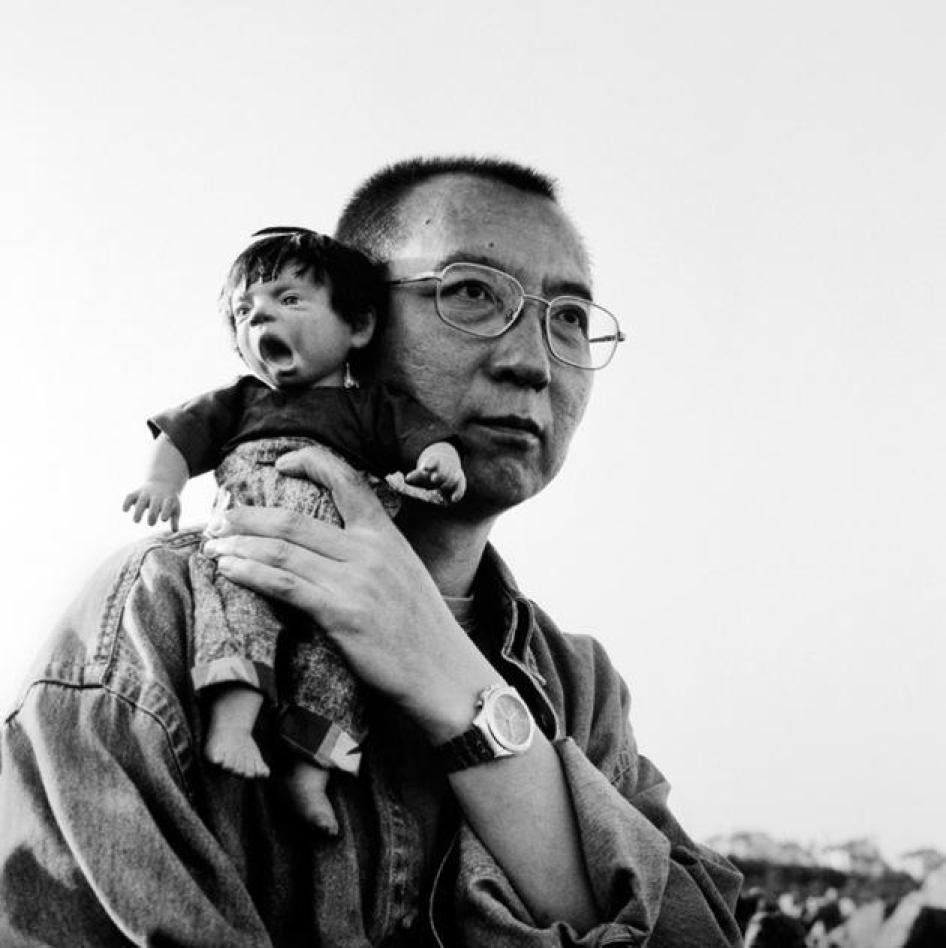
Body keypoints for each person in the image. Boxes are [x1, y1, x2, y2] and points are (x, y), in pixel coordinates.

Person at [0, 156, 744, 946]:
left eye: (567, 317)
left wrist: (452, 680)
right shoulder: (161, 617)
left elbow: (699, 933)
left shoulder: (580, 689)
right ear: (358, 320)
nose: (532, 361)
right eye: (470, 293)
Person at [122, 227, 465, 834]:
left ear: (356, 328)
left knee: (341, 665)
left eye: (289, 300)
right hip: (251, 535)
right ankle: (233, 720)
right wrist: (162, 484)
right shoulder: (240, 401)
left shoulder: (369, 408)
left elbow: (421, 439)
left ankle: (311, 774)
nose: (261, 319)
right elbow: (177, 438)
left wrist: (441, 458)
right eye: (244, 312)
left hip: (339, 566)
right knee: (232, 610)